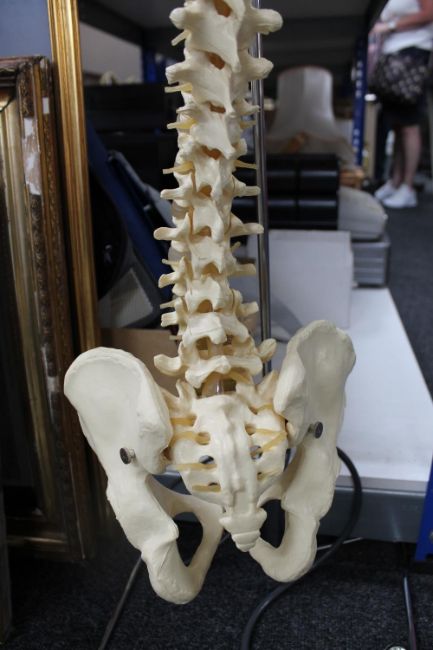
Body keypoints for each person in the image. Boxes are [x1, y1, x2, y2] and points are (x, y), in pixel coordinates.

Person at [373, 0, 433, 208]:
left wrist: (390, 26)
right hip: (394, 53)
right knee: (398, 124)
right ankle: (396, 181)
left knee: (409, 124)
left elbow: (429, 13)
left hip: (413, 55)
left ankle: (407, 187)